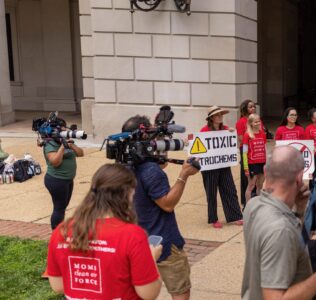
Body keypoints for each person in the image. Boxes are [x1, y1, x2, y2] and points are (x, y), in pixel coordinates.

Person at [240, 146, 316, 300]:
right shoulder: (280, 230)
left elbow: (287, 244)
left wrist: (299, 211)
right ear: (299, 179)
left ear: (266, 172)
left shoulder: (253, 205)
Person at [46, 164, 163, 299]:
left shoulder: (62, 231)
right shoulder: (132, 235)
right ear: (126, 194)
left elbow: (58, 286)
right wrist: (151, 259)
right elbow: (149, 293)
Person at [123, 115, 200, 300]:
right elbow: (167, 204)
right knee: (179, 290)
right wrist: (184, 175)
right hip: (164, 243)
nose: (157, 139)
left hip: (135, 242)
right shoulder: (151, 171)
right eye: (153, 134)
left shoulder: (123, 167)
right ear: (145, 139)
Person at [200, 106, 244, 229]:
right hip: (209, 167)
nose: (220, 116)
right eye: (217, 115)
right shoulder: (204, 131)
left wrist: (232, 134)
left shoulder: (226, 130)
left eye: (221, 114)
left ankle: (235, 216)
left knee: (230, 189)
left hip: (223, 164)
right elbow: (199, 148)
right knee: (211, 192)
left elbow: (233, 144)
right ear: (211, 118)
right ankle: (213, 219)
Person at [42, 118, 84, 230]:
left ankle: (60, 230)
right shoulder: (50, 144)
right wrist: (62, 147)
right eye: (62, 128)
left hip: (67, 180)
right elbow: (55, 162)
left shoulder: (65, 140)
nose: (65, 130)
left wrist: (71, 145)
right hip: (56, 180)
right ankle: (56, 233)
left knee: (62, 207)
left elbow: (81, 153)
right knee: (59, 208)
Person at [235, 99, 263, 207]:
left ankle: (256, 200)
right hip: (246, 150)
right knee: (247, 179)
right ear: (245, 109)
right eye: (250, 107)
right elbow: (241, 139)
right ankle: (246, 202)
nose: (253, 108)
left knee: (259, 181)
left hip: (257, 150)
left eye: (254, 106)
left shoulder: (258, 120)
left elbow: (261, 133)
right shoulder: (241, 122)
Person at [242, 113, 266, 202]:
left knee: (260, 185)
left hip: (262, 163)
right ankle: (248, 206)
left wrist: (266, 162)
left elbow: (264, 148)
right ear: (251, 123)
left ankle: (258, 205)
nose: (258, 123)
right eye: (255, 122)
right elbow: (244, 153)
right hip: (252, 164)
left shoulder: (262, 134)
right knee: (251, 185)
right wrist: (245, 167)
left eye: (259, 121)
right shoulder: (247, 135)